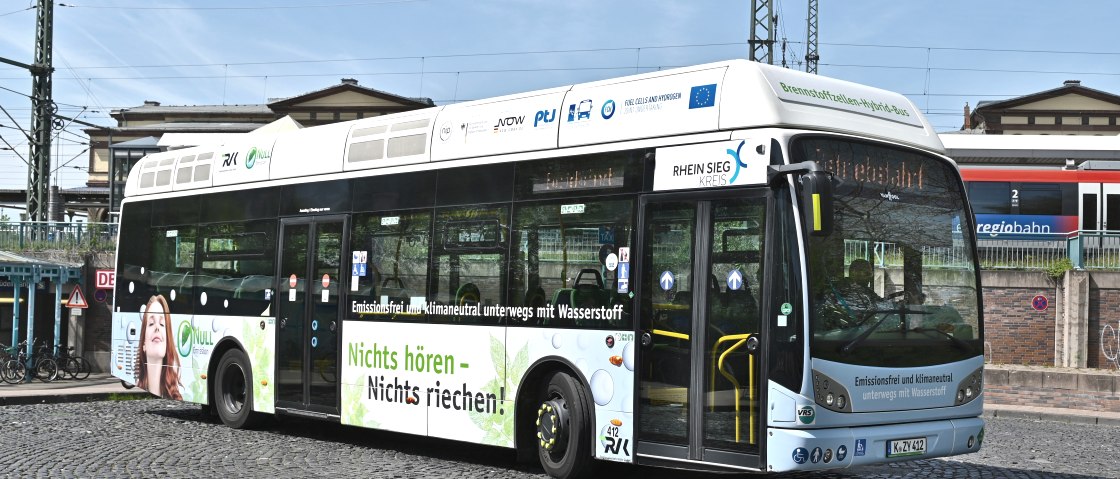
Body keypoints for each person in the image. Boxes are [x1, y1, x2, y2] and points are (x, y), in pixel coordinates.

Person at [137, 294, 183, 400]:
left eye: (162, 324)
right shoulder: (137, 385)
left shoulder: (176, 397)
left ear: (167, 343)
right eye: (151, 323)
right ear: (143, 343)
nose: (157, 327)